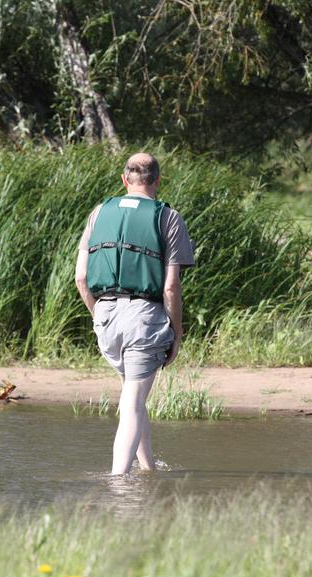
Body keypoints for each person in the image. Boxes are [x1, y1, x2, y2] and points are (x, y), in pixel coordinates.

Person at [75, 153, 195, 475]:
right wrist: (176, 332)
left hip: (105, 316)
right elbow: (171, 287)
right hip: (144, 318)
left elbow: (81, 278)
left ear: (124, 179)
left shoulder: (99, 212)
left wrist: (98, 316)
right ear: (157, 180)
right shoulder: (168, 217)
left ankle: (148, 467)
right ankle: (119, 481)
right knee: (131, 403)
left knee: (133, 396)